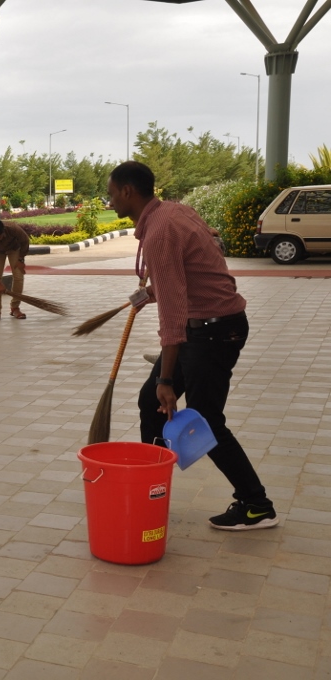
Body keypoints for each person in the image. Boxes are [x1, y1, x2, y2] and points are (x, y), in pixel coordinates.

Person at [107, 161, 278, 531]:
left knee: (205, 419)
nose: (110, 200)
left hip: (213, 331)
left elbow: (173, 317)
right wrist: (147, 293)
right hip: (204, 327)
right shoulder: (174, 211)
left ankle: (256, 504)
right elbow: (193, 267)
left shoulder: (160, 233)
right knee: (150, 403)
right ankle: (152, 487)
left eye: (111, 193)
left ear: (127, 191)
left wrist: (166, 379)